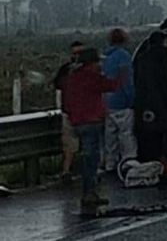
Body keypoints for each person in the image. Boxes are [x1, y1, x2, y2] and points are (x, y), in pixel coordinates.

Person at [63, 47, 126, 208]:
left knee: (87, 156)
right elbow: (111, 86)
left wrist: (72, 116)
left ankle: (89, 192)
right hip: (91, 122)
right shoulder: (92, 77)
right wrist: (121, 76)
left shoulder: (73, 77)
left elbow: (67, 100)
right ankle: (89, 193)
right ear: (92, 62)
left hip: (77, 121)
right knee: (91, 159)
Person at [102, 28, 137, 172]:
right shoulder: (123, 56)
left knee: (110, 136)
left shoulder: (105, 57)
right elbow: (126, 80)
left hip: (108, 102)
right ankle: (128, 162)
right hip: (122, 102)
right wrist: (132, 99)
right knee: (126, 134)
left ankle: (110, 163)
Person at [53, 41, 84, 182]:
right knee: (74, 144)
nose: (77, 56)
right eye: (75, 53)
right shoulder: (89, 69)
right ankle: (68, 171)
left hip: (74, 112)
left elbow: (58, 87)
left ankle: (68, 171)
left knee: (71, 145)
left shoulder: (66, 70)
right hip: (77, 113)